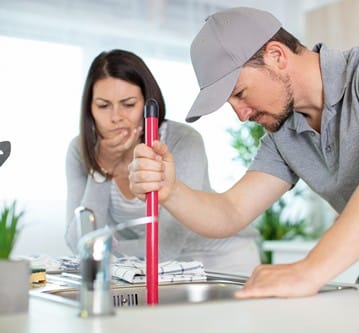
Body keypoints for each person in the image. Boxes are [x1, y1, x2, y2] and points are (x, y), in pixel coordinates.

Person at [128, 7, 359, 298]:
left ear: (276, 55)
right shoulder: (285, 135)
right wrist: (171, 189)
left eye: (239, 94)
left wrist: (308, 269)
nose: (240, 115)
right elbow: (229, 211)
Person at [65, 49, 260, 275]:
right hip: (150, 267)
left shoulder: (183, 141)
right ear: (89, 108)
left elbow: (165, 246)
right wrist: (101, 170)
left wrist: (101, 250)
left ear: (148, 104)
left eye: (128, 104)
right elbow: (79, 241)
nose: (115, 117)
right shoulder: (79, 151)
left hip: (222, 262)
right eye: (103, 105)